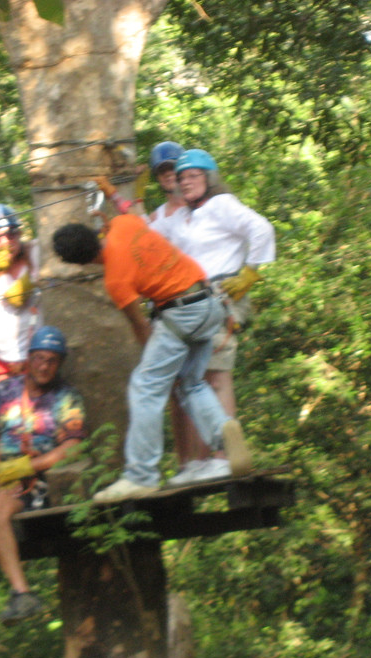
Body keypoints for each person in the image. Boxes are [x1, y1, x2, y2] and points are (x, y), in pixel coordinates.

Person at [52, 215, 253, 503]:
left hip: (182, 314)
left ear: (80, 263)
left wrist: (152, 358)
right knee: (190, 382)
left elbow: (140, 325)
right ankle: (225, 441)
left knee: (145, 386)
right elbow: (126, 214)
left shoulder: (115, 279)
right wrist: (109, 192)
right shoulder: (124, 224)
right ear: (93, 232)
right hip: (211, 303)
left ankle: (141, 476)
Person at [149, 148, 275, 486]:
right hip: (192, 304)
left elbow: (261, 229)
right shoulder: (181, 218)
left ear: (209, 178)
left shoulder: (222, 206)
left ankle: (225, 457)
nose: (186, 182)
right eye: (182, 177)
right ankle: (201, 460)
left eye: (193, 176)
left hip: (223, 295)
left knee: (217, 377)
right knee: (193, 380)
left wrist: (250, 273)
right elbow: (145, 237)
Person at [0, 326, 85, 624]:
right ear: (28, 359)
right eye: (39, 358)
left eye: (52, 360)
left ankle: (22, 595)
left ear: (60, 363)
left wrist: (31, 468)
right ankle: (21, 593)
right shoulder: (4, 392)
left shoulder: (67, 397)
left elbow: (72, 446)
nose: (44, 366)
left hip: (45, 475)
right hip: (9, 474)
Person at [0, 204, 42, 399]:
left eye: (10, 235)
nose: (4, 242)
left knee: (36, 418)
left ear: (19, 234)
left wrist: (31, 274)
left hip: (34, 353)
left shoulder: (35, 252)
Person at [145, 140, 186, 223]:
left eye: (172, 168)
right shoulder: (154, 219)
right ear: (157, 177)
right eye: (162, 170)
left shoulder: (203, 207)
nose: (168, 174)